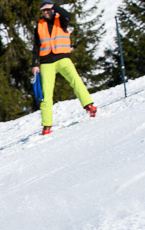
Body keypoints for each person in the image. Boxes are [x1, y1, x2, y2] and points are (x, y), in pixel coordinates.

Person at [32, 0, 97, 135]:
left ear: (52, 9)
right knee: (46, 94)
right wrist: (34, 64)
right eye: (44, 10)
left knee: (75, 81)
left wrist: (54, 6)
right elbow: (36, 47)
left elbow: (68, 16)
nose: (46, 12)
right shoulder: (39, 25)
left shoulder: (61, 19)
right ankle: (47, 125)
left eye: (48, 9)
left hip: (62, 58)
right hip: (46, 62)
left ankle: (89, 106)